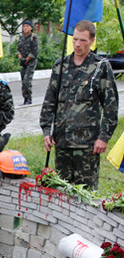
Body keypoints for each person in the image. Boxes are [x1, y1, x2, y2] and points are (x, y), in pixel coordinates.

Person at [39, 20, 119, 189]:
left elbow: (111, 106)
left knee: (86, 195)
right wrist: (46, 130)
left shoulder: (100, 67)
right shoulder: (60, 66)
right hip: (62, 142)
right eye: (75, 39)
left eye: (83, 40)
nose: (77, 44)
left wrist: (104, 137)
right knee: (61, 191)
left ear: (92, 41)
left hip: (87, 145)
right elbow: (49, 101)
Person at [17, 20, 39, 105]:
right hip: (23, 62)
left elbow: (34, 52)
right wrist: (21, 58)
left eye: (27, 26)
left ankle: (29, 98)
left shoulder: (33, 37)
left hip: (31, 62)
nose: (25, 28)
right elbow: (18, 49)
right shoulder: (21, 37)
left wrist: (26, 60)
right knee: (23, 80)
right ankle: (25, 98)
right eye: (24, 26)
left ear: (31, 27)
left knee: (27, 80)